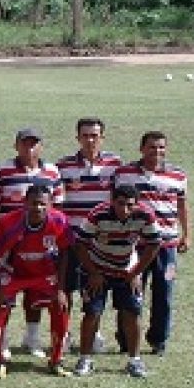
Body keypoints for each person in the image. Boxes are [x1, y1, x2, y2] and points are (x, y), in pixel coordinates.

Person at [0, 127, 64, 360]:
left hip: (40, 241)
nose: (29, 148)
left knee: (35, 294)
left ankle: (32, 337)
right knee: (4, 295)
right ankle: (2, 340)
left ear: (41, 146)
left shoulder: (51, 171)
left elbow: (57, 207)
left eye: (34, 144)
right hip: (11, 242)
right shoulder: (3, 171)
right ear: (16, 145)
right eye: (24, 143)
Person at [72, 184, 162, 378]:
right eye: (120, 204)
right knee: (92, 313)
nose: (125, 209)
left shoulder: (146, 215)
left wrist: (136, 272)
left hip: (126, 269)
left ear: (137, 205)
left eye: (130, 205)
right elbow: (79, 244)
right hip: (97, 268)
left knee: (132, 314)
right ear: (112, 201)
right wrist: (94, 273)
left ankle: (135, 361)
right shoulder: (97, 214)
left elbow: (154, 244)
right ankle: (85, 359)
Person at [113, 130, 190, 356]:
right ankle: (126, 340)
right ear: (142, 149)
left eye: (161, 147)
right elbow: (116, 204)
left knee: (164, 292)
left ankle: (158, 339)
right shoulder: (124, 173)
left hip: (167, 245)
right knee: (130, 290)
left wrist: (187, 234)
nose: (157, 151)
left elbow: (183, 206)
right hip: (135, 246)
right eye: (152, 147)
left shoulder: (177, 175)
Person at [0, 183, 72, 377]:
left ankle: (56, 360)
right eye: (34, 203)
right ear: (25, 203)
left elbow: (66, 253)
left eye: (43, 204)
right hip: (13, 271)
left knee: (61, 308)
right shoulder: (9, 222)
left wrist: (61, 289)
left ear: (50, 204)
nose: (38, 208)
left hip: (44, 273)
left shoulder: (59, 221)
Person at [56, 117, 122, 353]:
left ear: (102, 138)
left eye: (95, 135)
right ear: (78, 138)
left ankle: (93, 333)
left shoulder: (115, 165)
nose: (90, 140)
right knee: (67, 288)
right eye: (85, 135)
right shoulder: (63, 166)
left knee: (93, 289)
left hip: (100, 242)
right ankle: (63, 333)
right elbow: (57, 204)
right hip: (72, 239)